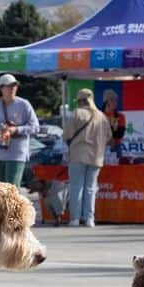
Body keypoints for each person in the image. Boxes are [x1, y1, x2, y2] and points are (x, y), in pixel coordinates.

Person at [62, 89, 112, 227]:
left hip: (78, 155)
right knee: (91, 188)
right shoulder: (101, 116)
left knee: (76, 187)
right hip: (97, 157)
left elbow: (66, 135)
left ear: (79, 100)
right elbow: (109, 137)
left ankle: (75, 219)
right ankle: (89, 218)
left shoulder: (76, 114)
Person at [0, 74, 39, 186]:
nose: (12, 88)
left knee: (11, 189)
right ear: (1, 88)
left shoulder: (24, 104)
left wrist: (17, 130)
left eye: (14, 86)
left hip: (16, 153)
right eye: (9, 86)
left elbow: (35, 127)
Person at [102, 89, 126, 159]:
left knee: (118, 169)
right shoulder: (99, 116)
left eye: (116, 100)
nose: (115, 103)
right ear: (106, 102)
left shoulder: (120, 116)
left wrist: (109, 129)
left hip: (116, 147)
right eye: (112, 100)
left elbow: (120, 134)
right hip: (101, 148)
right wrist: (113, 128)